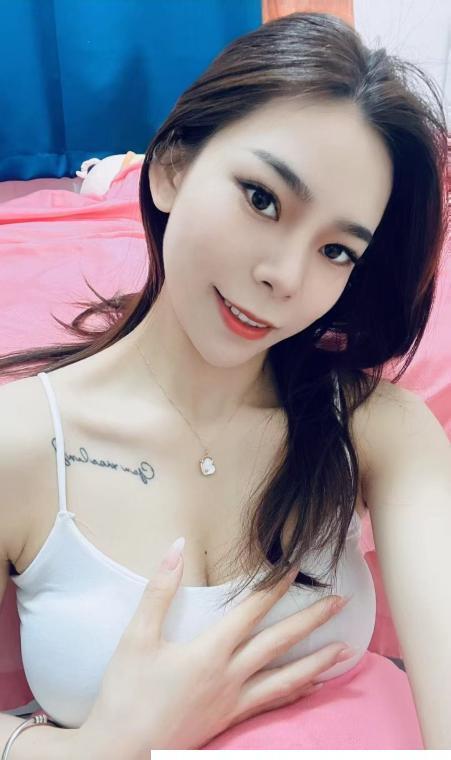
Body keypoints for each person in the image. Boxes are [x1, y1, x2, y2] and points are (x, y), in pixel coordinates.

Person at [0, 10, 450, 756]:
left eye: (337, 251)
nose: (285, 276)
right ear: (172, 168)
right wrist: (104, 744)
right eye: (262, 199)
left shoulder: (378, 429)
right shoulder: (19, 443)